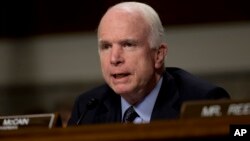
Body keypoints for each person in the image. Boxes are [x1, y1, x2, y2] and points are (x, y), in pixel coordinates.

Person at [67, 2, 230, 125]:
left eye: (128, 45)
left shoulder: (202, 101)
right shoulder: (88, 107)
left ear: (158, 55)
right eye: (106, 46)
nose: (114, 58)